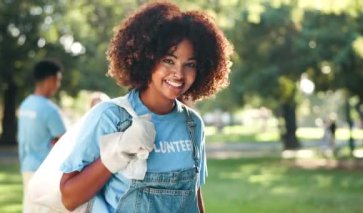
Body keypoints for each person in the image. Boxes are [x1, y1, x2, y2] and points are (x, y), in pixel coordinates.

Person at [59, 1, 233, 213]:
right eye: (169, 60)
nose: (179, 73)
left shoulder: (192, 125)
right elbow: (69, 198)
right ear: (148, 58)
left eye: (190, 64)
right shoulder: (110, 117)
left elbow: (193, 195)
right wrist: (118, 152)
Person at [17, 59, 66, 212]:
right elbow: (66, 143)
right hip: (44, 171)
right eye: (58, 81)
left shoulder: (25, 105)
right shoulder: (50, 110)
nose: (58, 86)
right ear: (51, 80)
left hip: (26, 167)